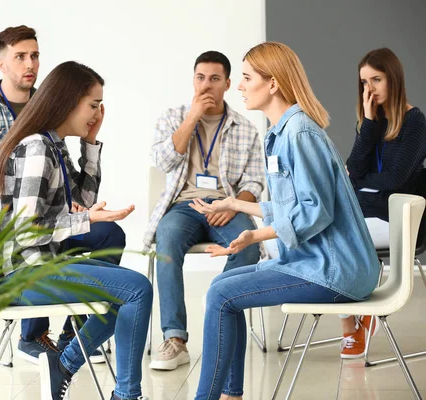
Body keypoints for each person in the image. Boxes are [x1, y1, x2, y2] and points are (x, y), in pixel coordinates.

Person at [189, 42, 380, 400]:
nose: (240, 86)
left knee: (219, 294)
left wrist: (255, 233)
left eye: (246, 78)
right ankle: (230, 394)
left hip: (333, 270)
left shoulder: (298, 133)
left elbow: (313, 211)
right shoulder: (283, 132)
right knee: (225, 287)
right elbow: (294, 205)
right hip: (320, 263)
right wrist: (239, 206)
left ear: (273, 83)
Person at [0, 25, 125, 363]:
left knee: (109, 233)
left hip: (44, 220)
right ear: (1, 63)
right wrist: (15, 175)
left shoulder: (50, 107)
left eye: (35, 55)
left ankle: (78, 334)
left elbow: (79, 195)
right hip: (6, 228)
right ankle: (34, 335)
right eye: (20, 56)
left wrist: (85, 149)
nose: (30, 64)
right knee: (36, 240)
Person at [0, 61, 151, 400]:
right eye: (93, 104)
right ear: (68, 101)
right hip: (23, 276)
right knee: (137, 290)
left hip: (40, 266)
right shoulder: (37, 148)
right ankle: (125, 394)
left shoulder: (53, 145)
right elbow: (28, 232)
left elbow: (84, 200)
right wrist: (88, 221)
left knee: (129, 293)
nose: (98, 113)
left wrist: (90, 142)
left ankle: (66, 364)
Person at [144, 51, 264, 370]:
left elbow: (255, 179)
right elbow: (163, 162)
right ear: (193, 80)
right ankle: (175, 339)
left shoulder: (245, 128)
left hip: (226, 204)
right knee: (166, 242)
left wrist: (235, 203)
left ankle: (220, 318)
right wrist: (192, 118)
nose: (206, 85)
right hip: (184, 205)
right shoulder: (173, 117)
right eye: (200, 78)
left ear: (227, 83)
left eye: (214, 79)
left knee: (247, 244)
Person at [342, 47, 426, 359]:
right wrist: (368, 123)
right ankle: (353, 322)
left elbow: (393, 182)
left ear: (393, 79)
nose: (369, 89)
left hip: (394, 219)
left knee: (341, 239)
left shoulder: (415, 123)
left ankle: (357, 322)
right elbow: (353, 171)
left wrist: (359, 178)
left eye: (375, 79)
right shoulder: (370, 123)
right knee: (330, 236)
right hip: (364, 213)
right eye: (364, 82)